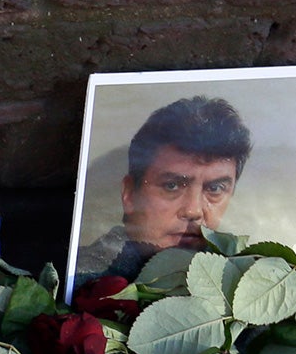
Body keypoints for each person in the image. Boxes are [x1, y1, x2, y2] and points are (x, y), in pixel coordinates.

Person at [75, 95, 253, 293]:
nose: (193, 210)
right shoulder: (83, 281)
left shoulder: (244, 282)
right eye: (172, 186)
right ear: (129, 194)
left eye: (214, 189)